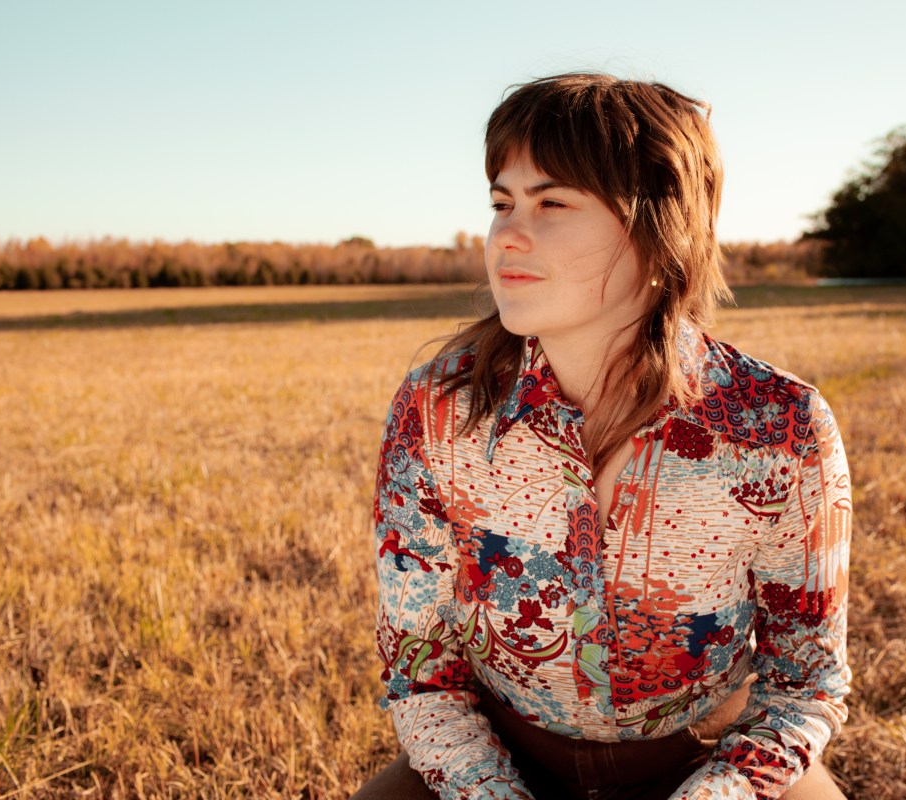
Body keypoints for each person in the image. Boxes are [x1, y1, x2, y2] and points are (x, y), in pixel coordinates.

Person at [357, 73, 852, 800]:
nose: (506, 234)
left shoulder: (778, 425)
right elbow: (422, 672)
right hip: (498, 757)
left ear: (661, 228)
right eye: (502, 202)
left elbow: (803, 684)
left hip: (705, 760)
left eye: (552, 201)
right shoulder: (438, 407)